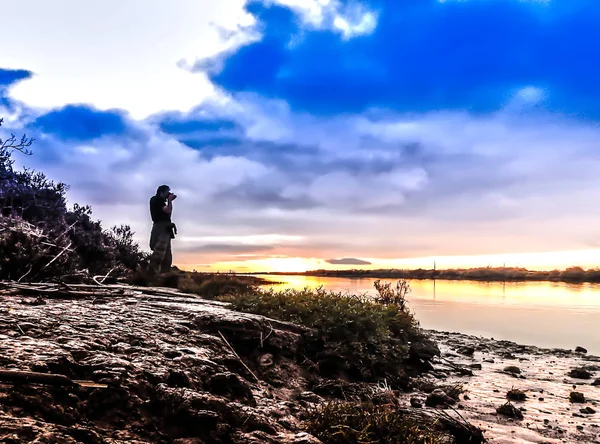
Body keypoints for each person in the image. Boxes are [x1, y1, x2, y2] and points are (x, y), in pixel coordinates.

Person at [149, 184, 177, 275]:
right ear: (162, 192)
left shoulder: (161, 201)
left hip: (165, 227)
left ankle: (164, 275)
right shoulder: (156, 200)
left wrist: (168, 201)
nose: (168, 194)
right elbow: (168, 211)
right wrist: (170, 200)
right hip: (161, 228)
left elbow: (168, 214)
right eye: (167, 192)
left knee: (167, 255)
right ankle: (152, 274)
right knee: (160, 251)